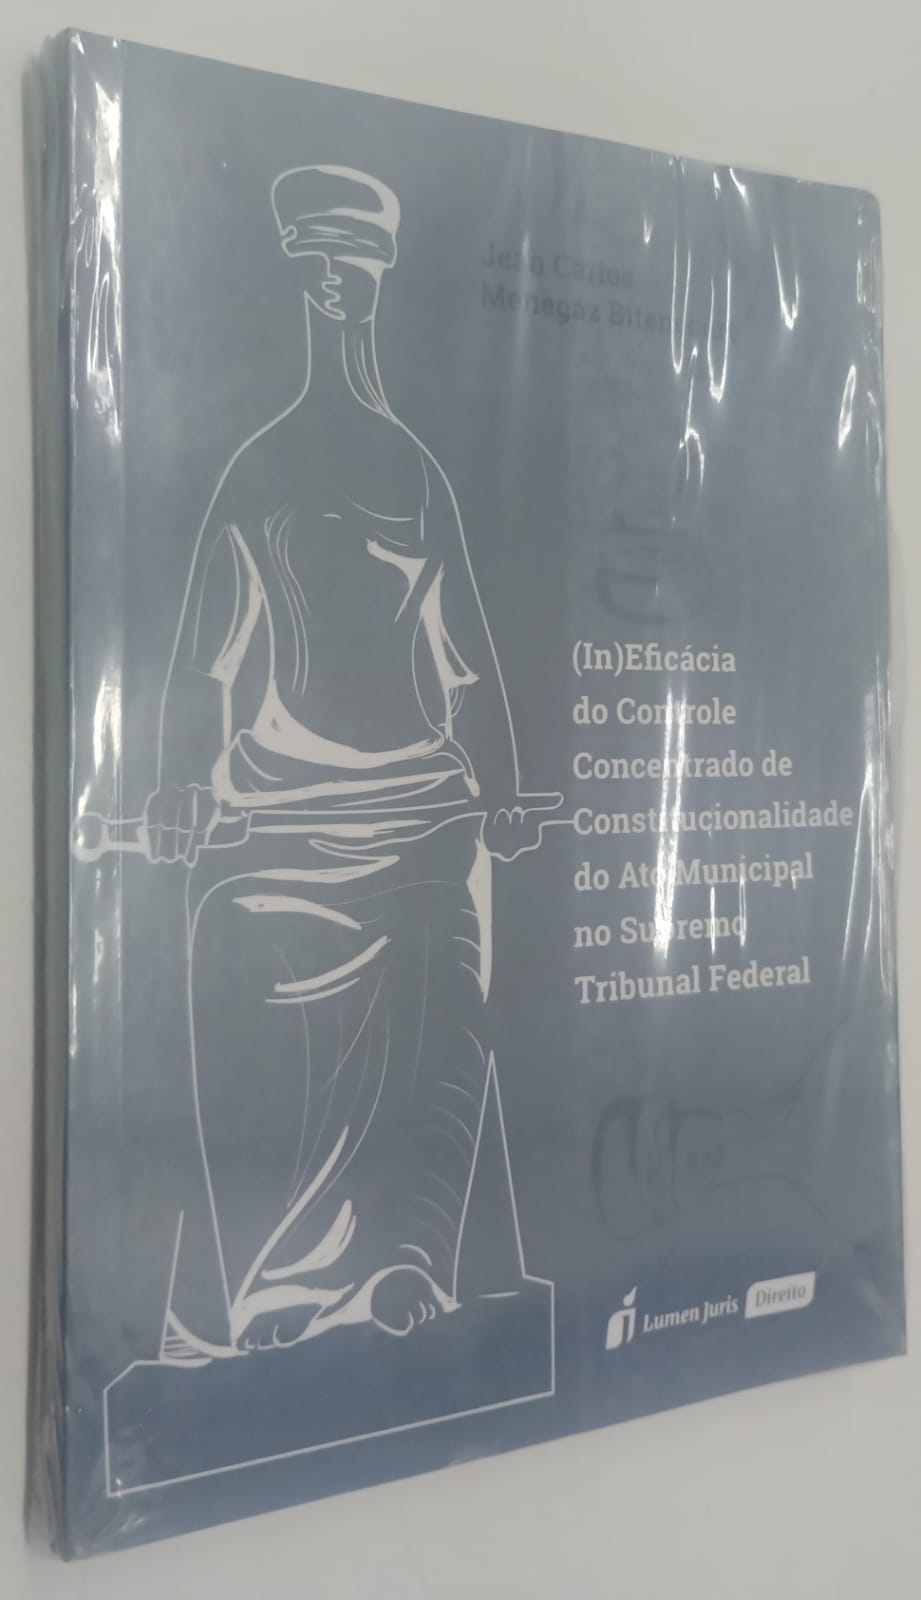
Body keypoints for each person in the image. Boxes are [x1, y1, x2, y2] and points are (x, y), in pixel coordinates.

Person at [145, 166, 546, 1358]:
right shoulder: (255, 474)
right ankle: (278, 1286)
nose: (336, 284)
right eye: (317, 263)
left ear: (377, 279)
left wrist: (502, 790)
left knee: (444, 968)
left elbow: (470, 665)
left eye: (355, 265)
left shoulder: (417, 475)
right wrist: (178, 785)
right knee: (239, 950)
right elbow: (201, 671)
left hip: (420, 819)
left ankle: (407, 1261)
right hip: (274, 826)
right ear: (296, 275)